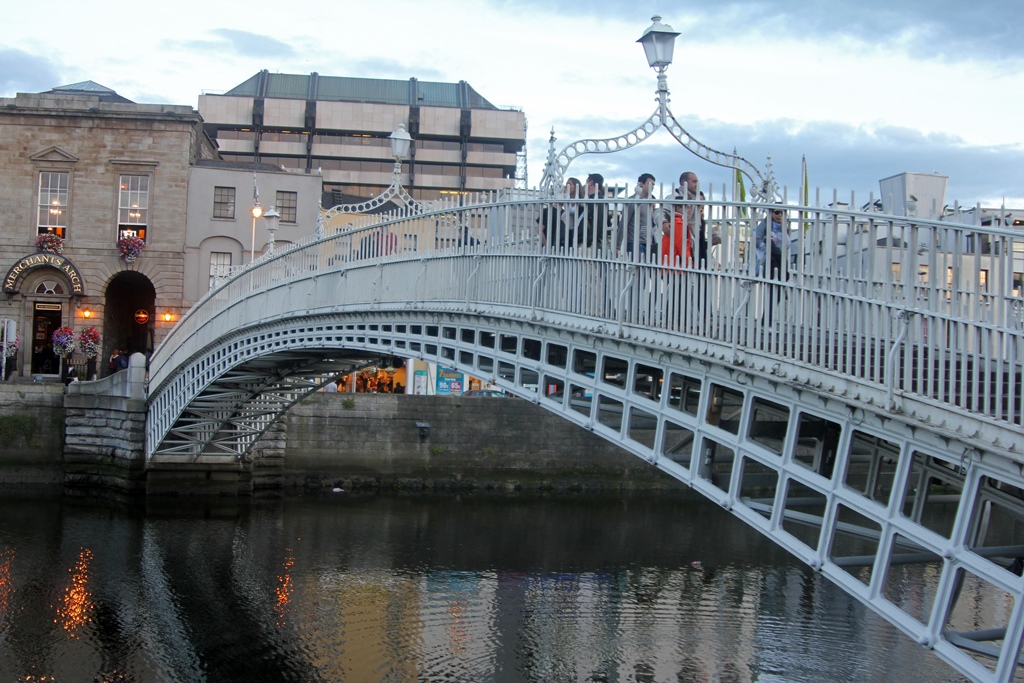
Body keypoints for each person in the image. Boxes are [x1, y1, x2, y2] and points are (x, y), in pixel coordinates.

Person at [615, 173, 657, 259]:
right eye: (649, 183)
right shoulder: (632, 201)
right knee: (638, 269)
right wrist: (617, 245)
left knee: (647, 271)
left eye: (653, 185)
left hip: (649, 242)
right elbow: (624, 223)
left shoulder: (651, 203)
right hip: (634, 242)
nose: (652, 187)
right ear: (641, 183)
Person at [536, 178, 584, 250]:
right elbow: (539, 230)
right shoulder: (548, 211)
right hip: (550, 247)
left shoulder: (566, 212)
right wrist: (547, 246)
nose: (565, 187)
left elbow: (570, 223)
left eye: (569, 184)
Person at [579, 173, 609, 252]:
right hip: (586, 239)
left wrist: (590, 240)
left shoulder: (598, 199)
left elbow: (598, 221)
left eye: (586, 182)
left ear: (591, 182)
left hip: (591, 241)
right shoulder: (590, 199)